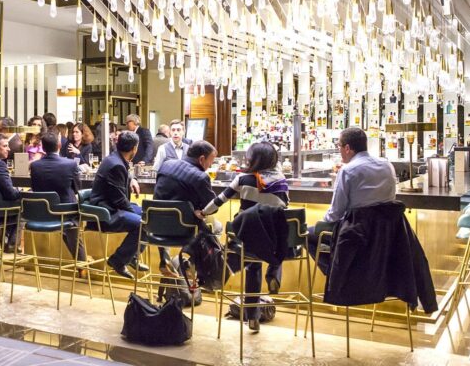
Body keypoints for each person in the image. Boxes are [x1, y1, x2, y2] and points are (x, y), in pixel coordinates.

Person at [199, 141, 290, 333]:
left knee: (252, 263)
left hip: (246, 239)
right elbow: (285, 209)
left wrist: (204, 212)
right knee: (277, 239)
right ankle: (273, 272)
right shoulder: (281, 181)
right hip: (273, 242)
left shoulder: (242, 179)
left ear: (251, 159)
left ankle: (252, 317)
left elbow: (219, 200)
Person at [307, 127, 397, 276]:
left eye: (339, 146)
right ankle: (347, 275)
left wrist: (321, 224)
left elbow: (335, 213)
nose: (339, 150)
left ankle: (337, 276)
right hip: (386, 233)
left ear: (347, 148)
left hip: (355, 233)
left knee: (308, 234)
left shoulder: (348, 170)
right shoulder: (387, 165)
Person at [154, 141, 219, 276]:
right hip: (182, 229)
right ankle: (188, 260)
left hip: (155, 226)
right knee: (216, 226)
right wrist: (199, 210)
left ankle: (165, 258)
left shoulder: (166, 165)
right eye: (211, 161)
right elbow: (212, 207)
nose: (210, 165)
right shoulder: (200, 177)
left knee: (169, 215)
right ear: (202, 159)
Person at [89, 131, 147, 279]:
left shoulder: (115, 158)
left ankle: (132, 256)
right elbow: (119, 201)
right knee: (144, 223)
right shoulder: (116, 165)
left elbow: (125, 171)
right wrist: (134, 213)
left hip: (110, 206)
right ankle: (118, 260)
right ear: (134, 148)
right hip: (106, 213)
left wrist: (132, 179)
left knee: (149, 216)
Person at [30, 131, 87, 263]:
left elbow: (35, 188)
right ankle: (81, 262)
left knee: (67, 224)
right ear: (59, 145)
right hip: (65, 212)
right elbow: (78, 189)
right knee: (74, 214)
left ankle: (81, 260)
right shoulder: (70, 164)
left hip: (41, 213)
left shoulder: (35, 166)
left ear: (43, 148)